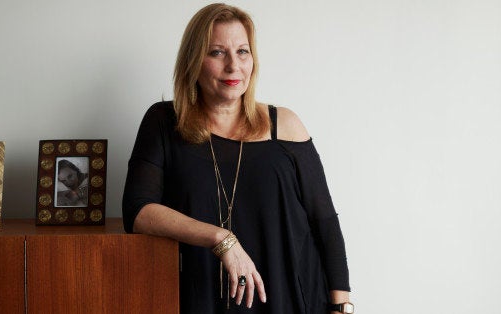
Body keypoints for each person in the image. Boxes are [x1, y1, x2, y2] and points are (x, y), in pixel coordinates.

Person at [123, 3, 352, 313]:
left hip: (290, 300)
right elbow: (138, 211)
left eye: (243, 52)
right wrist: (222, 239)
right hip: (201, 298)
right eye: (217, 53)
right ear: (194, 61)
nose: (233, 66)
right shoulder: (164, 122)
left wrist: (341, 307)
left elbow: (324, 221)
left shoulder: (284, 125)